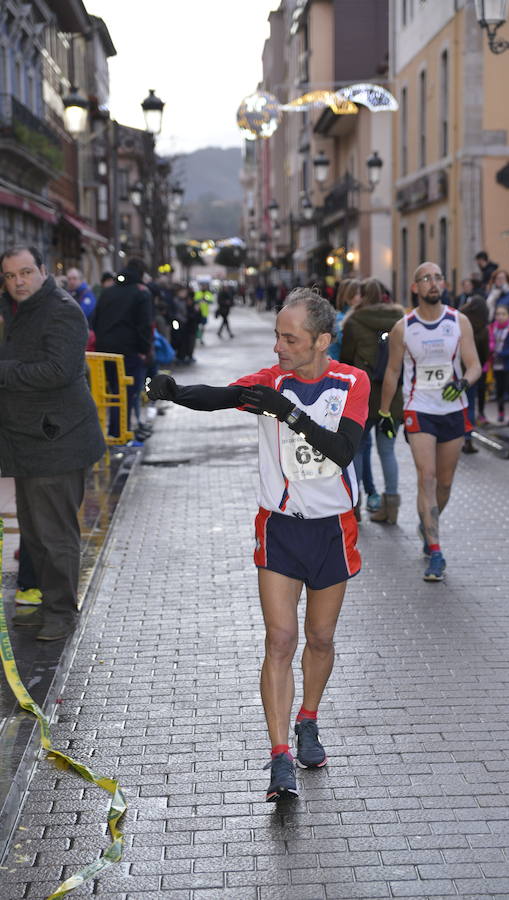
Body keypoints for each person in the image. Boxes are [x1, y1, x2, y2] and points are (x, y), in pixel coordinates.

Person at [147, 288, 369, 801]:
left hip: (334, 528)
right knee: (280, 639)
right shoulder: (271, 382)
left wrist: (287, 413)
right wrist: (172, 389)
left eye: (289, 338)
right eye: (275, 335)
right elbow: (220, 395)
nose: (277, 347)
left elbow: (340, 452)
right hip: (280, 527)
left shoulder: (351, 382)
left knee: (319, 638)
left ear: (321, 340)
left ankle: (307, 720)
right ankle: (279, 759)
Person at [0, 246, 106, 640]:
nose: (18, 282)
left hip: (58, 441)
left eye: (25, 273)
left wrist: (4, 372)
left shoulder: (61, 309)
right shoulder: (14, 309)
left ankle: (62, 612)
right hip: (27, 441)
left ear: (43, 270)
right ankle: (50, 603)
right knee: (34, 532)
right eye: (10, 276)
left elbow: (59, 370)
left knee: (55, 534)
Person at [378, 261, 481, 582]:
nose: (433, 283)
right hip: (418, 409)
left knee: (445, 483)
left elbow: (475, 364)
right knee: (428, 477)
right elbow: (392, 372)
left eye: (438, 277)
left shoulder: (458, 321)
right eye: (425, 278)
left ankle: (427, 522)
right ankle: (435, 550)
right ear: (415, 288)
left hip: (452, 409)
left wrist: (463, 383)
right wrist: (385, 413)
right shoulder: (403, 327)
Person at [340, 278, 405, 524]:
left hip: (362, 397)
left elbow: (346, 359)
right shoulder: (401, 320)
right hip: (392, 396)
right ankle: (391, 508)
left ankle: (354, 507)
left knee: (356, 450)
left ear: (362, 296)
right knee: (387, 452)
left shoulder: (354, 322)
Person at [91, 257, 153, 435]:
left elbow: (95, 320)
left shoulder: (108, 292)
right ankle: (121, 432)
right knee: (127, 393)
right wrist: (144, 350)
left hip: (104, 351)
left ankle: (115, 430)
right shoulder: (141, 293)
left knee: (111, 392)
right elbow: (144, 325)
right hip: (129, 352)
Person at [461, 290, 490, 447]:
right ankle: (468, 436)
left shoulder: (460, 322)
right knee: (470, 404)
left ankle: (456, 435)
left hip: (457, 370)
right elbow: (485, 354)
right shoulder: (483, 329)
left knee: (457, 405)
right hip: (473, 372)